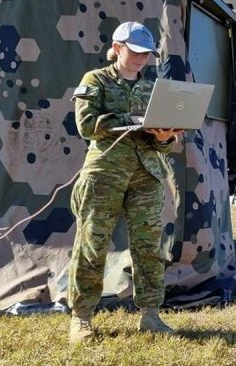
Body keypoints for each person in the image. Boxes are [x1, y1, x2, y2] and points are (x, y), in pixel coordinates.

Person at [68, 21, 181, 343]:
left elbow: (160, 144)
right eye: (135, 52)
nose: (142, 59)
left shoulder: (153, 88)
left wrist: (164, 135)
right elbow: (87, 125)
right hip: (105, 172)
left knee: (149, 248)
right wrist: (133, 122)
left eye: (146, 54)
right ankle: (81, 317)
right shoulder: (96, 80)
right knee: (93, 245)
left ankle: (150, 314)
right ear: (117, 48)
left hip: (147, 174)